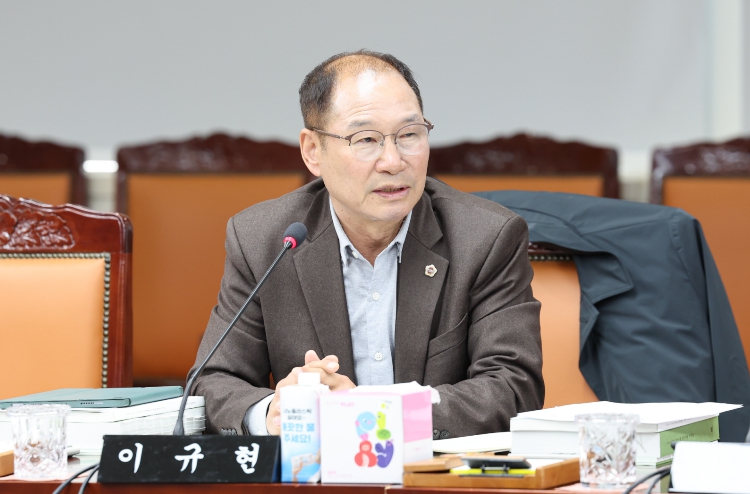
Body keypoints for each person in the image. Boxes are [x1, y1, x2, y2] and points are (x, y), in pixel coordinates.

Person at [191, 50, 544, 439]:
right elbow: (213, 382)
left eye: (409, 135)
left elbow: (514, 388)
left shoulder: (485, 238)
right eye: (366, 139)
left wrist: (368, 413)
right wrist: (274, 413)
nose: (393, 161)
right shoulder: (264, 240)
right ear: (313, 151)